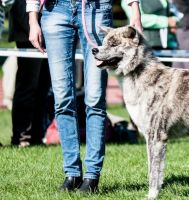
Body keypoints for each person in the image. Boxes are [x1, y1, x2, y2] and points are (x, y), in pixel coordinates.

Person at [26, 0, 142, 193]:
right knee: (62, 99)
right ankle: (71, 174)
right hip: (54, 10)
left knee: (95, 99)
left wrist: (135, 11)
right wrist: (33, 19)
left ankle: (92, 177)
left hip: (95, 9)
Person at [7, 0, 53, 147]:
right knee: (28, 84)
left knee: (43, 86)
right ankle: (22, 136)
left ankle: (37, 135)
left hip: (48, 25)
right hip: (28, 24)